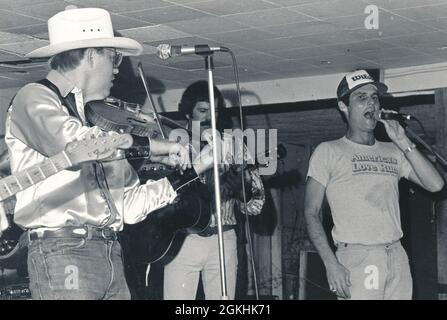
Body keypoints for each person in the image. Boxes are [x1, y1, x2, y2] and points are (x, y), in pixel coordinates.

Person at [4, 7, 214, 300]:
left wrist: (194, 170)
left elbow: (128, 206)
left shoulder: (98, 123)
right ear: (91, 55)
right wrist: (156, 147)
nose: (116, 69)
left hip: (110, 251)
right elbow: (78, 146)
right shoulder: (35, 97)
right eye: (113, 59)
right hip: (64, 250)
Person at [304, 69, 444, 300]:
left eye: (374, 97)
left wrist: (402, 140)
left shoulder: (393, 150)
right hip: (358, 257)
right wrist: (331, 264)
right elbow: (311, 213)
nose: (371, 102)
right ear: (343, 107)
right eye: (361, 98)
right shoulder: (328, 151)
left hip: (396, 254)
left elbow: (436, 185)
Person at [163, 80, 266, 300]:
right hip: (182, 241)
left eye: (215, 111)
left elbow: (256, 205)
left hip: (224, 238)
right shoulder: (174, 146)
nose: (210, 117)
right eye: (202, 110)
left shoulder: (235, 146)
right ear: (188, 114)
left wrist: (241, 189)